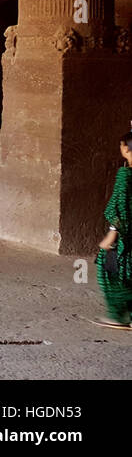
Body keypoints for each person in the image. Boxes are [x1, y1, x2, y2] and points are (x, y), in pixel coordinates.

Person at [96, 132, 132, 328]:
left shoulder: (125, 176)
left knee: (108, 269)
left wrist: (112, 233)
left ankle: (118, 315)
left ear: (126, 148)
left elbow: (118, 208)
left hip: (124, 238)